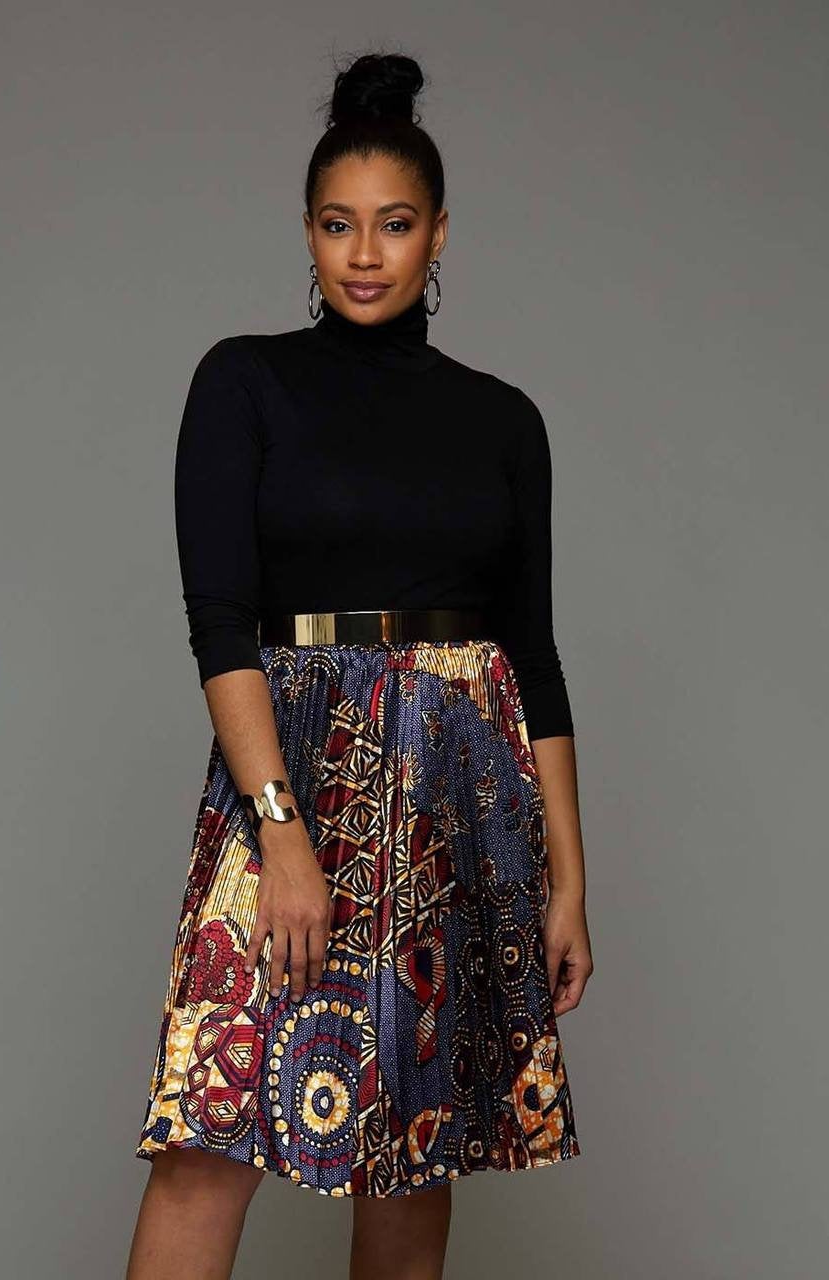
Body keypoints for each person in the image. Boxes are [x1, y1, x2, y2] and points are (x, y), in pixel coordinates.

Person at [126, 49, 593, 1280]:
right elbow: (219, 623)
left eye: (393, 224)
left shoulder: (503, 421)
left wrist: (568, 878)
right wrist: (280, 832)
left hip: (454, 793)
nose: (366, 253)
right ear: (307, 234)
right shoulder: (244, 382)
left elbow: (532, 654)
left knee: (412, 1145)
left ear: (438, 233)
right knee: (208, 1129)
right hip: (288, 775)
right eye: (338, 224)